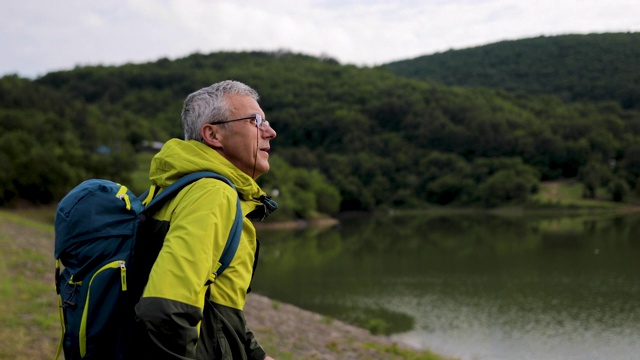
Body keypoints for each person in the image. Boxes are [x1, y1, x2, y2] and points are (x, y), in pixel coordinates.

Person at [133, 80, 278, 359]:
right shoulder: (212, 194)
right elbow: (164, 311)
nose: (270, 132)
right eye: (255, 121)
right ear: (213, 134)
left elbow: (213, 309)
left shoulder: (175, 187)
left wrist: (255, 355)